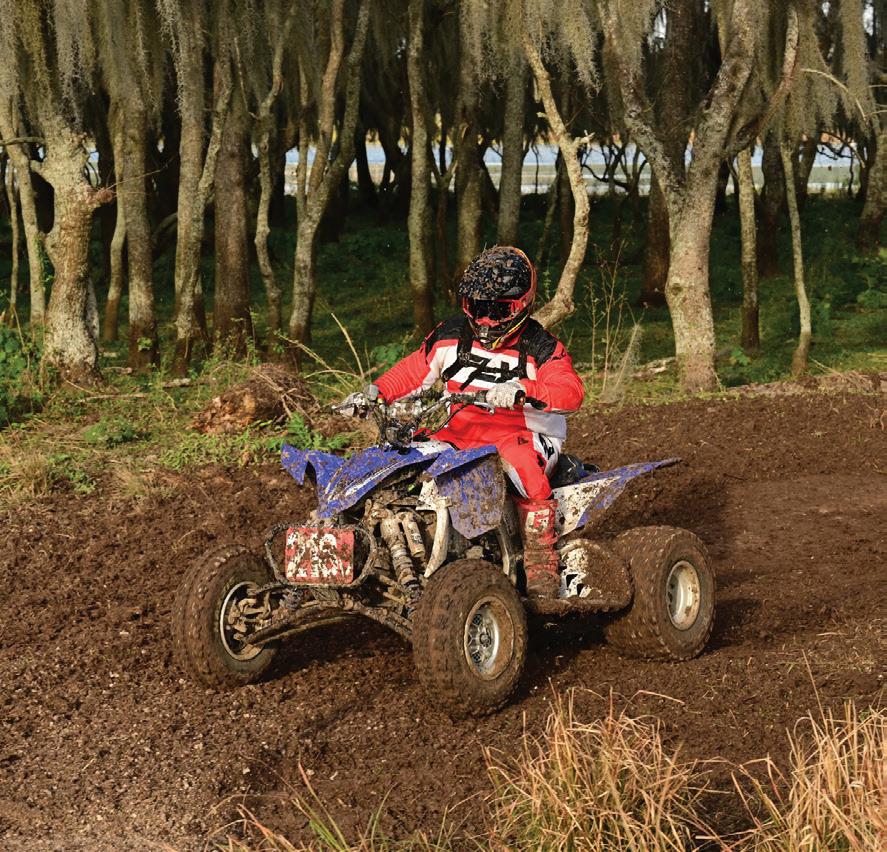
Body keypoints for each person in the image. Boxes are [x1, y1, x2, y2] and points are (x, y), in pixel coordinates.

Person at [358, 246, 584, 602]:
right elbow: (414, 370)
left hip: (523, 434)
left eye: (499, 310)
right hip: (458, 430)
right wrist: (377, 392)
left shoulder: (541, 346)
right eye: (478, 308)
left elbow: (570, 391)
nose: (487, 320)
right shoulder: (451, 334)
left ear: (522, 305)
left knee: (526, 470)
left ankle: (541, 562)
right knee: (403, 461)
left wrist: (524, 390)